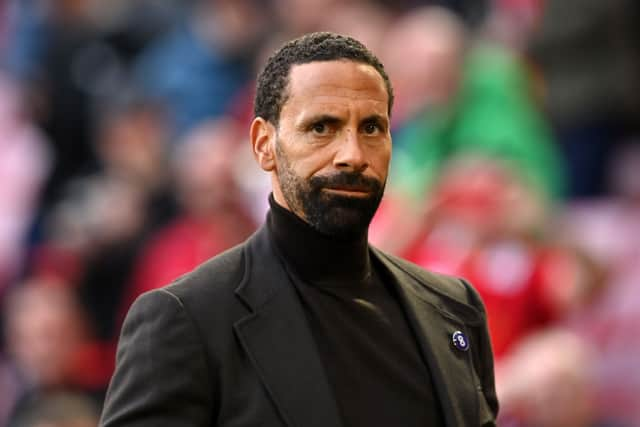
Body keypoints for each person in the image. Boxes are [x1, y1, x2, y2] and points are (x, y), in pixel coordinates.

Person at [100, 32, 498, 427]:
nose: (352, 155)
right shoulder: (186, 319)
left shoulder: (454, 309)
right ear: (263, 144)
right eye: (322, 128)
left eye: (372, 128)